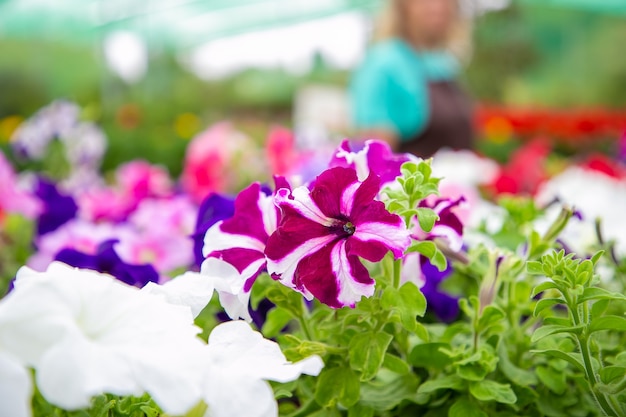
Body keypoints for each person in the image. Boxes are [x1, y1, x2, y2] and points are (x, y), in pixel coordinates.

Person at [350, 0, 475, 158]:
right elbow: (376, 158)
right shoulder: (384, 62)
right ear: (402, 7)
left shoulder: (445, 64)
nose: (439, 7)